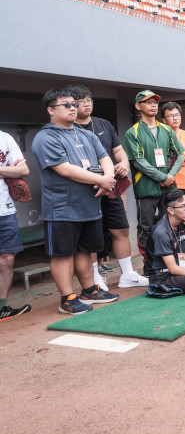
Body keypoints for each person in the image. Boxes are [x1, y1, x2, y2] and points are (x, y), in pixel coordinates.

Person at [32, 88, 120, 315]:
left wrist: (108, 178)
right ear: (51, 110)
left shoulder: (86, 134)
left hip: (89, 205)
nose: (73, 108)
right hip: (62, 208)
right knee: (62, 254)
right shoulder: (46, 137)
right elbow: (65, 170)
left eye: (74, 104)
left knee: (85, 250)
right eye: (66, 105)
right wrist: (102, 180)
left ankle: (89, 291)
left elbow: (105, 157)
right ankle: (67, 299)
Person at [70, 84, 148, 290]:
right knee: (91, 235)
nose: (86, 104)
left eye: (89, 100)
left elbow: (118, 150)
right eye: (80, 101)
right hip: (85, 189)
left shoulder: (103, 124)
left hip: (110, 185)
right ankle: (95, 278)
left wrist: (124, 163)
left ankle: (128, 275)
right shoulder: (68, 129)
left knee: (121, 228)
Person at [123, 90, 185, 258]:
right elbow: (138, 161)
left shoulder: (166, 129)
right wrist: (163, 177)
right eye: (148, 102)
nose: (153, 105)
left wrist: (170, 176)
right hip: (146, 188)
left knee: (172, 223)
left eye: (155, 102)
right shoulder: (133, 132)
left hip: (168, 188)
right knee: (146, 227)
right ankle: (148, 262)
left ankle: (172, 260)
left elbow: (181, 154)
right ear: (138, 106)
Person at [0, 130, 32, 320]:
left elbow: (23, 170)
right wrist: (6, 169)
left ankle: (2, 306)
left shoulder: (5, 137)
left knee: (7, 259)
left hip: (4, 209)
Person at [161, 102, 185, 206]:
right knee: (168, 212)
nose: (175, 118)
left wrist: (171, 155)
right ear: (164, 120)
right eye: (171, 116)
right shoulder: (160, 137)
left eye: (177, 115)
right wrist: (182, 154)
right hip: (167, 182)